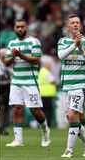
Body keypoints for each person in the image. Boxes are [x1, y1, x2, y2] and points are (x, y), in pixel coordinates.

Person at [3, 19, 50, 147]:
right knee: (17, 108)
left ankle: (45, 129)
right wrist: (13, 56)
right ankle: (18, 140)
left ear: (27, 27)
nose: (20, 29)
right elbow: (6, 62)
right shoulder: (12, 43)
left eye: (22, 27)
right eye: (17, 27)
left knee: (34, 109)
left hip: (30, 81)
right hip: (16, 80)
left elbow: (35, 60)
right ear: (14, 28)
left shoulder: (34, 41)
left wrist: (20, 54)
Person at [58, 14, 85, 158]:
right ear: (68, 26)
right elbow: (61, 56)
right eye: (72, 23)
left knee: (74, 115)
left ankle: (69, 150)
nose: (75, 25)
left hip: (79, 86)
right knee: (71, 118)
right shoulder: (62, 41)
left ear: (80, 25)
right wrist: (74, 45)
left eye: (77, 22)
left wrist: (81, 50)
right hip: (66, 86)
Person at [38, 55, 57, 128]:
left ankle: (41, 124)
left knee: (43, 110)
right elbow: (53, 81)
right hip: (47, 94)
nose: (50, 66)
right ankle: (47, 124)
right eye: (49, 65)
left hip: (42, 93)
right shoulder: (45, 71)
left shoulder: (41, 71)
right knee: (48, 110)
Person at [0, 48, 11, 135]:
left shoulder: (5, 65)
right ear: (2, 57)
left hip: (6, 88)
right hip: (1, 88)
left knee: (5, 109)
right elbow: (0, 76)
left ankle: (2, 127)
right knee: (1, 108)